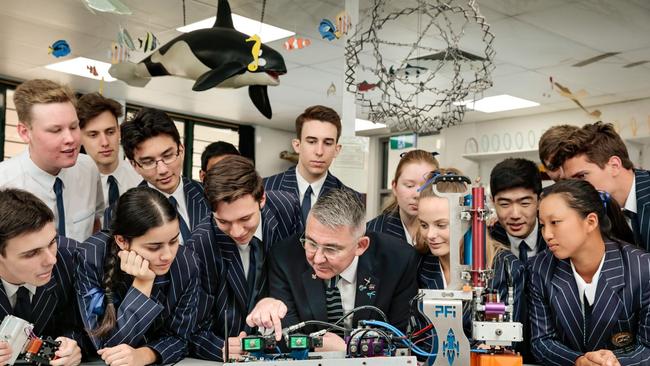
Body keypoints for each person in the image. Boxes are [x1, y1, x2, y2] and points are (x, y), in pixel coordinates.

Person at [247, 188, 418, 352]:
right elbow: (287, 338)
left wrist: (350, 349)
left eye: (331, 249)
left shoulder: (398, 260)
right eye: (311, 243)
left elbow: (400, 341)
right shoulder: (285, 257)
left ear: (360, 245)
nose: (318, 258)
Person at [188, 156, 300, 361]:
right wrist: (220, 348)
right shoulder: (201, 243)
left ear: (262, 199)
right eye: (223, 221)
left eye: (245, 218)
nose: (237, 231)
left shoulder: (287, 209)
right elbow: (191, 328)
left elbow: (299, 277)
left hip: (285, 346)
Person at [530, 179, 650, 365]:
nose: (547, 234)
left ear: (591, 221)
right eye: (543, 225)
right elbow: (541, 341)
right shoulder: (540, 268)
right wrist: (578, 361)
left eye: (555, 222)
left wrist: (615, 362)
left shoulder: (642, 268)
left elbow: (647, 348)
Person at [75, 187, 200, 365]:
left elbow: (181, 338)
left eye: (174, 241)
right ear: (122, 241)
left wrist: (144, 355)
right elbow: (106, 345)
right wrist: (143, 284)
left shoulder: (187, 263)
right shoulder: (91, 257)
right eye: (154, 247)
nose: (167, 255)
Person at [415, 170, 524, 334]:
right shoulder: (420, 265)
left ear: (467, 220)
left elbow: (507, 340)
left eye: (441, 225)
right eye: (424, 225)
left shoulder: (505, 267)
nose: (430, 235)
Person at [0, 79, 103, 242]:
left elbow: (95, 224)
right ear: (25, 132)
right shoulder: (3, 182)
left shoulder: (88, 168)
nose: (70, 139)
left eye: (74, 127)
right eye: (55, 130)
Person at [0, 188, 85, 366]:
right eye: (32, 253)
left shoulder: (72, 258)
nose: (51, 259)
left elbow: (84, 326)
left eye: (52, 242)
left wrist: (74, 346)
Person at [115, 107, 211, 243]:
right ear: (134, 165)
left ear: (181, 149)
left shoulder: (210, 195)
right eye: (148, 162)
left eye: (168, 156)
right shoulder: (121, 213)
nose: (162, 170)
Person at [555, 122, 650, 251]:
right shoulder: (594, 213)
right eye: (570, 181)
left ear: (614, 166)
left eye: (582, 176)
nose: (575, 188)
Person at [264, 105, 359, 226]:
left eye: (328, 143)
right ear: (297, 145)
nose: (319, 151)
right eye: (312, 142)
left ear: (337, 149)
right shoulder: (266, 188)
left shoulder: (350, 199)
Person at [77, 93, 141, 209]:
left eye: (110, 132)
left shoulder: (140, 178)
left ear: (119, 132)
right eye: (93, 135)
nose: (105, 142)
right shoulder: (69, 184)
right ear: (79, 138)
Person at [367, 150, 439, 245]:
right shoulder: (372, 232)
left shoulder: (447, 233)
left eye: (426, 186)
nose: (417, 195)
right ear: (394, 187)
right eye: (409, 185)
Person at [489, 158, 547, 261]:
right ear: (493, 202)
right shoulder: (486, 242)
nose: (515, 215)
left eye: (524, 203)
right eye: (505, 204)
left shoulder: (556, 238)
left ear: (539, 201)